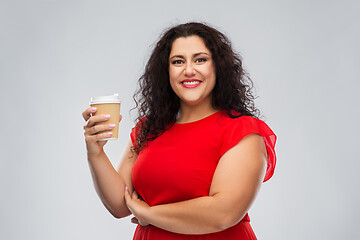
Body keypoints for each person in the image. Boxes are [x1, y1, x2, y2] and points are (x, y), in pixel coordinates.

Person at [82, 22, 276, 239]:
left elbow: (223, 213)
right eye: (178, 61)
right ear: (166, 71)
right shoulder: (149, 127)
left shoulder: (242, 131)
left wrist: (149, 213)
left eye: (200, 59)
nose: (189, 70)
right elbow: (120, 205)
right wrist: (95, 152)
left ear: (217, 67)